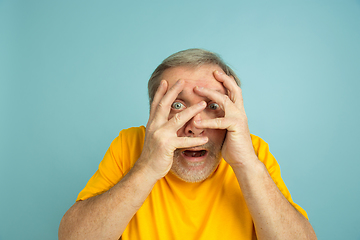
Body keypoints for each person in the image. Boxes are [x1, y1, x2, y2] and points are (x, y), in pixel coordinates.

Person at [58, 49, 317, 240]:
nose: (194, 126)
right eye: (177, 106)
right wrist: (148, 167)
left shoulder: (252, 152)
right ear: (153, 113)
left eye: (213, 106)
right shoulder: (131, 145)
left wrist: (246, 164)